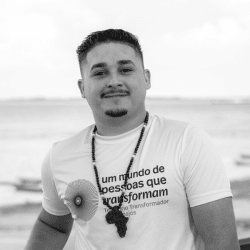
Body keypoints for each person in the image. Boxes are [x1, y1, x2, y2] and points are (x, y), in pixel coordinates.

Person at [25, 29, 240, 250]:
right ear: (82, 87)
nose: (114, 81)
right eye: (100, 73)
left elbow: (223, 244)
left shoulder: (186, 141)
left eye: (125, 69)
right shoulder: (60, 157)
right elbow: (53, 226)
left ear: (146, 78)